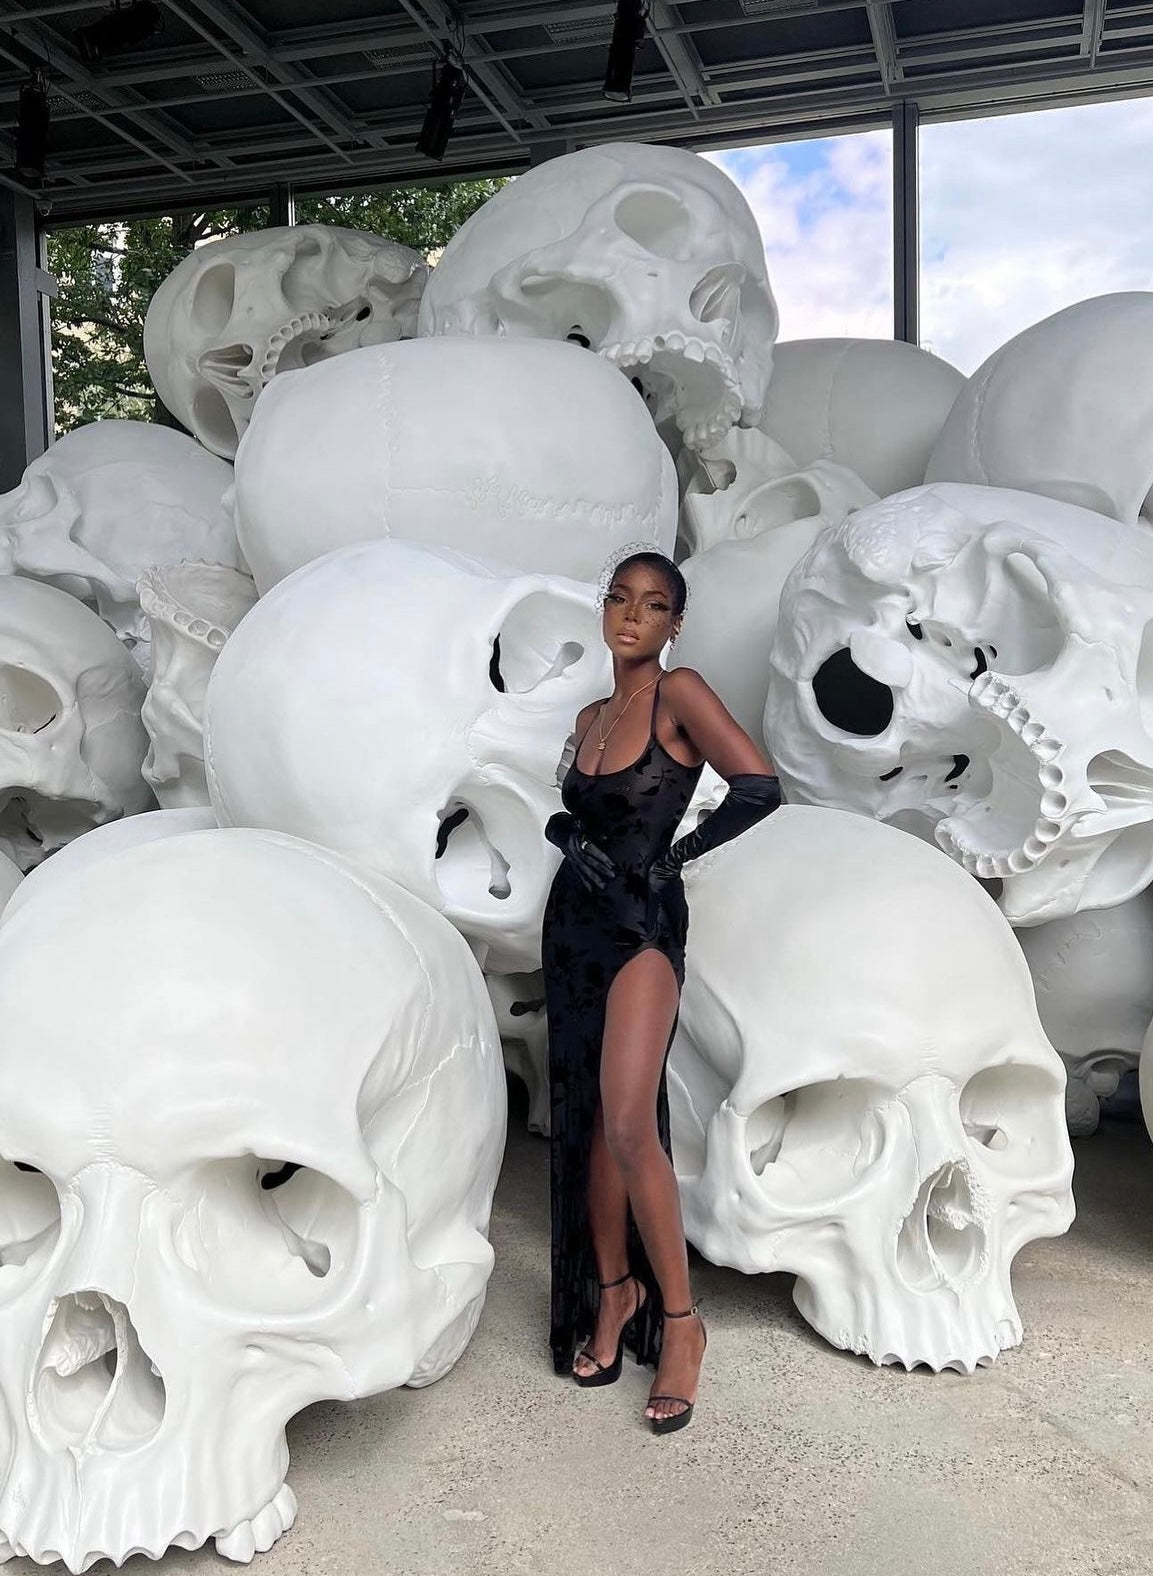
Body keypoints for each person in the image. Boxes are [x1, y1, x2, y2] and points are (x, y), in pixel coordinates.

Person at [541, 544, 781, 1435]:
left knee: (628, 1124)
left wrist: (673, 858)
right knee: (591, 1121)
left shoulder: (679, 693)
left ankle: (681, 1325)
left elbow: (757, 786)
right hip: (572, 927)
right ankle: (614, 1293)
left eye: (651, 604)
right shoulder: (590, 713)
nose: (631, 614)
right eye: (618, 598)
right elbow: (573, 808)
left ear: (674, 623)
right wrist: (566, 835)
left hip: (643, 926)